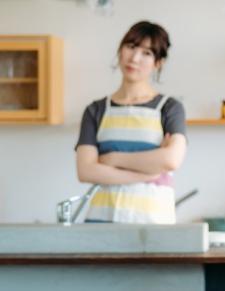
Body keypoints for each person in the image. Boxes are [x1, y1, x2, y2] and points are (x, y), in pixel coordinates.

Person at [75, 21, 187, 224]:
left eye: (147, 53)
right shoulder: (96, 110)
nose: (135, 58)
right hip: (101, 222)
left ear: (158, 63)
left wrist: (111, 159)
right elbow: (86, 171)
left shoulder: (169, 108)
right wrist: (147, 173)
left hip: (153, 224)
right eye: (131, 47)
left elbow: (170, 160)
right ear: (120, 49)